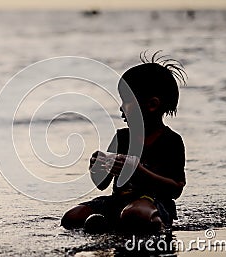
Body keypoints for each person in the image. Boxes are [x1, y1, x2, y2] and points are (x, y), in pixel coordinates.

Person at [61, 51, 187, 233]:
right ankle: (114, 222)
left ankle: (154, 223)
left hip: (154, 203)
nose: (121, 107)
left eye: (127, 101)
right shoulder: (122, 137)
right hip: (117, 202)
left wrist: (138, 171)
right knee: (72, 217)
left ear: (152, 105)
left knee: (135, 214)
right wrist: (97, 167)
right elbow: (102, 184)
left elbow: (175, 189)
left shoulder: (171, 141)